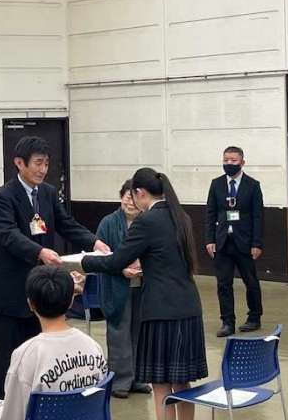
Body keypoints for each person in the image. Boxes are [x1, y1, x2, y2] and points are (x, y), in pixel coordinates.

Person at [82, 167, 207, 420]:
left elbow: (116, 261)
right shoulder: (181, 216)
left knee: (161, 384)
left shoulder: (147, 221)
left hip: (161, 311)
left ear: (140, 193)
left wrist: (83, 262)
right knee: (182, 384)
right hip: (189, 307)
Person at [0, 136, 109, 399]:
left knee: (38, 360)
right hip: (11, 294)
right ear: (19, 163)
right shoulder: (3, 196)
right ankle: (1, 408)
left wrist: (94, 241)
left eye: (46, 163)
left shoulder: (48, 193)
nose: (43, 169)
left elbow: (66, 223)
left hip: (41, 293)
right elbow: (7, 234)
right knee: (7, 363)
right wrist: (40, 252)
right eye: (37, 163)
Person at [0, 266, 108, 420]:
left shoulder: (25, 355)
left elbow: (13, 415)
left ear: (30, 304)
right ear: (71, 301)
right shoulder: (93, 347)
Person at [96, 179, 151, 399]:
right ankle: (119, 381)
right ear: (121, 197)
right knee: (119, 334)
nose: (130, 203)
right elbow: (101, 258)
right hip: (116, 286)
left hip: (142, 285)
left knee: (139, 332)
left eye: (134, 198)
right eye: (127, 197)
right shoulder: (108, 223)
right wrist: (121, 270)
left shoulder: (147, 222)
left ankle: (138, 378)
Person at [205, 146, 264, 337]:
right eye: (226, 160)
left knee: (250, 281)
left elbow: (258, 216)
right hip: (223, 241)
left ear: (242, 162)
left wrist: (257, 243)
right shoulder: (216, 184)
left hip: (245, 241)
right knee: (223, 283)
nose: (229, 163)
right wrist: (210, 239)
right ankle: (227, 321)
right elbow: (210, 213)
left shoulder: (252, 185)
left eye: (233, 160)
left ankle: (254, 317)